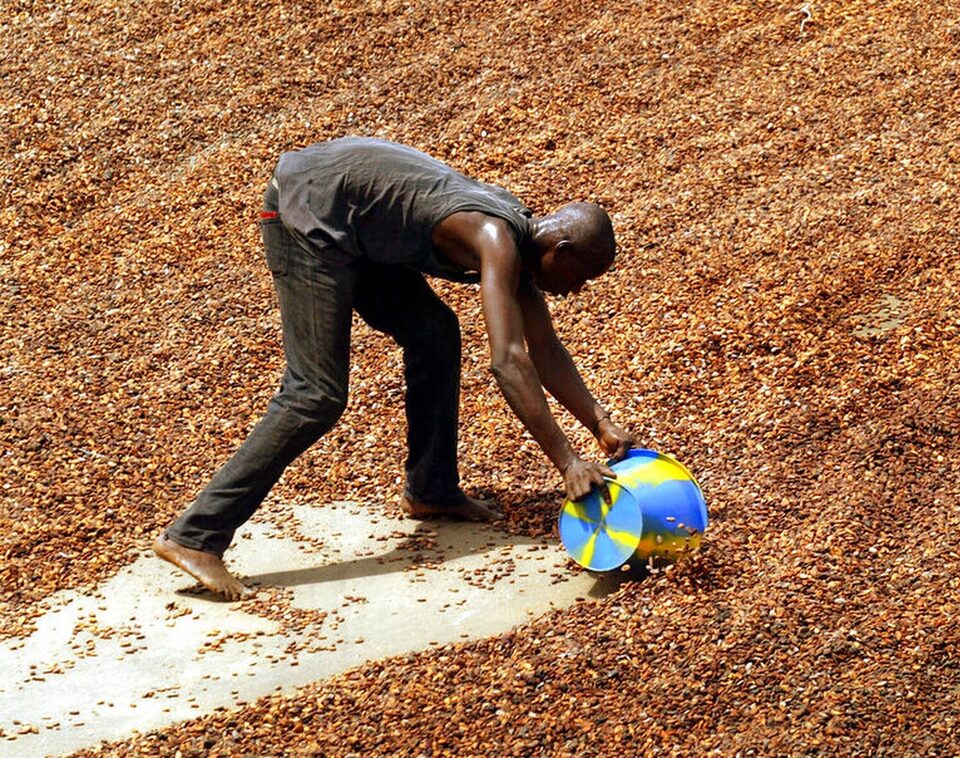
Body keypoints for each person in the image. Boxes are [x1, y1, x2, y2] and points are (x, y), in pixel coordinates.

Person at [155, 136, 638, 600]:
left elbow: (545, 349)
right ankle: (197, 534)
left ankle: (432, 488)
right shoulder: (498, 239)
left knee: (434, 334)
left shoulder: (524, 245)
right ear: (563, 251)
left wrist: (599, 424)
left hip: (360, 230)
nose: (577, 290)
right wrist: (567, 462)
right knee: (315, 394)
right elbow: (508, 360)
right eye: (583, 277)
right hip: (309, 215)